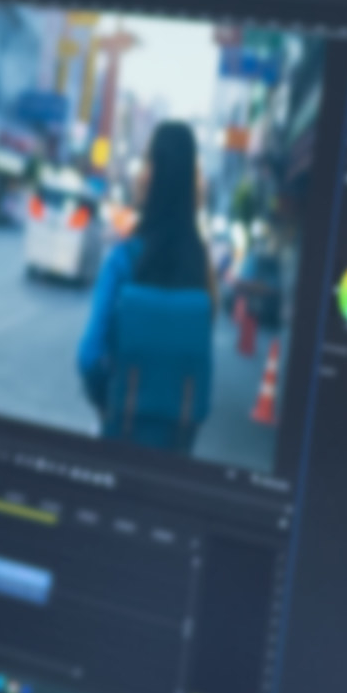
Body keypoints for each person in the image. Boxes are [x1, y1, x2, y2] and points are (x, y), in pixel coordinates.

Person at [76, 119, 218, 451]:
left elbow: (89, 357)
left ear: (155, 176)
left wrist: (108, 399)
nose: (140, 173)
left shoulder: (123, 260)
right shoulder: (203, 267)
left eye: (147, 161)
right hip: (177, 447)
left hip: (120, 432)